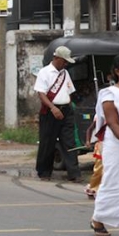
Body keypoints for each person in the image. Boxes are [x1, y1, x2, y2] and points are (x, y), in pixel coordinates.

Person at [90, 53, 119, 236]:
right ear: (117, 71)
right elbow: (113, 122)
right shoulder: (109, 93)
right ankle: (98, 218)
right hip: (118, 143)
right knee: (115, 181)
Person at [34, 45, 81, 182]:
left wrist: (68, 106)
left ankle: (74, 173)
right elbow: (41, 93)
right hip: (50, 111)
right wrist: (53, 108)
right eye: (64, 61)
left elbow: (69, 91)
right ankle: (44, 171)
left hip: (66, 110)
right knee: (48, 141)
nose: (66, 64)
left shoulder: (65, 73)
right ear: (56, 58)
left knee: (69, 142)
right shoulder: (45, 72)